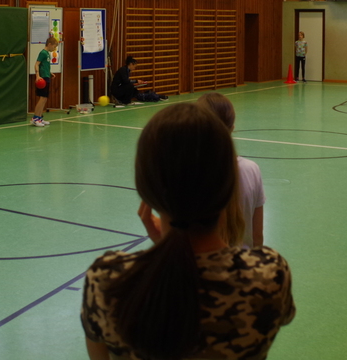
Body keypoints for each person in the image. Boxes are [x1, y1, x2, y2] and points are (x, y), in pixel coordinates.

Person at [81, 103, 294, 360]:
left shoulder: (108, 280)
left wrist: (168, 246)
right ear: (229, 186)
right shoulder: (268, 275)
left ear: (146, 188)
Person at [197, 92, 265, 248]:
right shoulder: (251, 170)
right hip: (244, 260)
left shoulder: (186, 173)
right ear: (232, 128)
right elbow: (257, 236)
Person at [32, 35, 58, 127]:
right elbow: (37, 64)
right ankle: (35, 118)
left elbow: (44, 66)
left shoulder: (47, 54)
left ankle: (39, 117)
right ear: (49, 44)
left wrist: (50, 73)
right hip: (42, 78)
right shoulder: (43, 53)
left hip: (47, 77)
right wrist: (37, 76)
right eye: (54, 46)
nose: (54, 49)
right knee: (42, 98)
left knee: (45, 98)